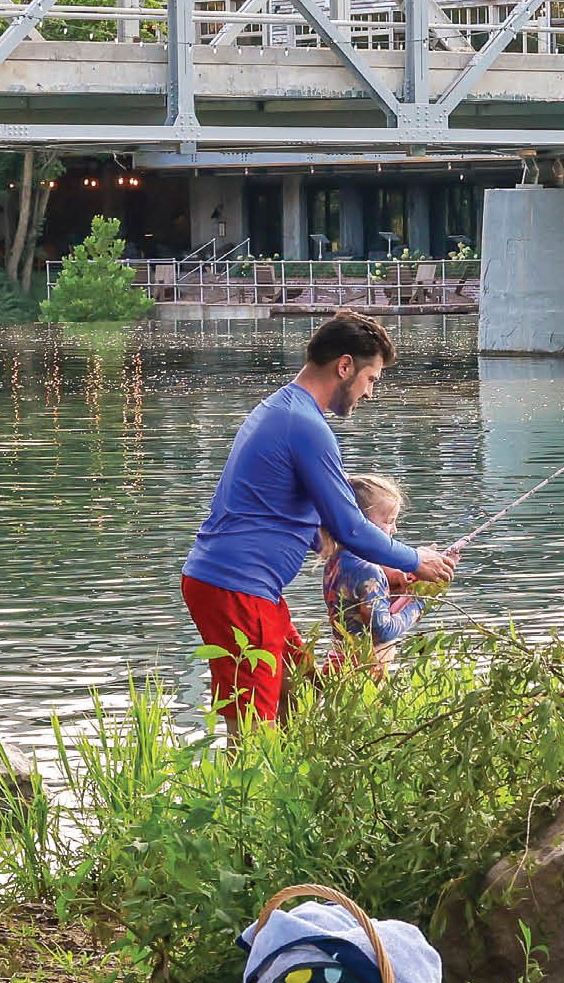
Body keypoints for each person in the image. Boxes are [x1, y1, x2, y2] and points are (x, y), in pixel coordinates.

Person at [179, 313, 454, 732]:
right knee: (252, 723)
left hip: (243, 586)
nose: (370, 393)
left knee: (299, 689)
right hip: (237, 586)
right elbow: (351, 528)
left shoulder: (282, 409)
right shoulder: (305, 425)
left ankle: (287, 788)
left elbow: (290, 512)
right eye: (371, 379)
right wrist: (417, 559)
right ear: (344, 367)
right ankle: (246, 794)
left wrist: (381, 567)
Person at [321, 474, 430, 664]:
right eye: (388, 521)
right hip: (366, 667)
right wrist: (417, 605)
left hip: (339, 661)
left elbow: (358, 609)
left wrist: (393, 589)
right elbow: (382, 630)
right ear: (360, 523)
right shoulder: (369, 571)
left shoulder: (335, 561)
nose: (394, 529)